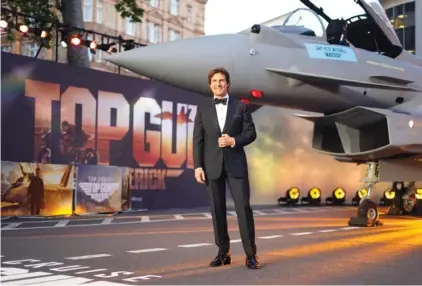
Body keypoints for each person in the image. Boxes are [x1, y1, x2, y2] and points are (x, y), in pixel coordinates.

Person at [193, 67, 260, 269]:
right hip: (212, 166)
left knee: (243, 209)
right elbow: (198, 139)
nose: (218, 84)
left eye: (221, 81)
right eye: (214, 81)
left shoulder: (240, 107)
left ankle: (250, 255)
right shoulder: (203, 107)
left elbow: (251, 133)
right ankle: (223, 253)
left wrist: (233, 140)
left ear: (227, 84)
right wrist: (198, 166)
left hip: (236, 165)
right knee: (217, 210)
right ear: (210, 84)